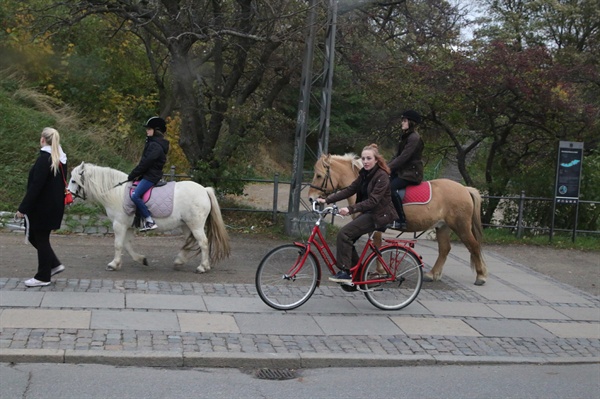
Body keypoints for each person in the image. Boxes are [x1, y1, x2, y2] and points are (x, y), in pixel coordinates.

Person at [317, 144, 398, 282]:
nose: (365, 161)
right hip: (370, 213)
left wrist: (350, 209)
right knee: (348, 238)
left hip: (380, 215)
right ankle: (358, 274)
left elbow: (373, 201)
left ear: (376, 160)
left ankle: (346, 272)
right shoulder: (365, 174)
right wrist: (327, 200)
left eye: (369, 158)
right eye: (363, 158)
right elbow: (350, 190)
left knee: (344, 234)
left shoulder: (382, 176)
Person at [16, 127, 68, 287]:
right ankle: (53, 264)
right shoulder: (60, 159)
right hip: (54, 206)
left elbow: (35, 187)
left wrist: (22, 208)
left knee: (40, 238)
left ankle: (43, 276)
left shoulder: (44, 160)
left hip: (42, 208)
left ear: (43, 140)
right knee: (36, 236)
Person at [128, 116, 170, 231]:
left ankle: (149, 221)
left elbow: (145, 163)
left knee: (135, 195)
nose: (147, 131)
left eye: (149, 129)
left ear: (156, 131)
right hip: (149, 174)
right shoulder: (153, 143)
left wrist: (132, 174)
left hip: (151, 176)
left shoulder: (155, 146)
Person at [387, 110, 424, 230]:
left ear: (411, 122)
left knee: (390, 188)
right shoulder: (405, 137)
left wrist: (388, 168)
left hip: (411, 173)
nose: (402, 123)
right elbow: (397, 156)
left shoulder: (414, 138)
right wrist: (384, 167)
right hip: (402, 171)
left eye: (404, 121)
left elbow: (404, 158)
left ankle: (401, 220)